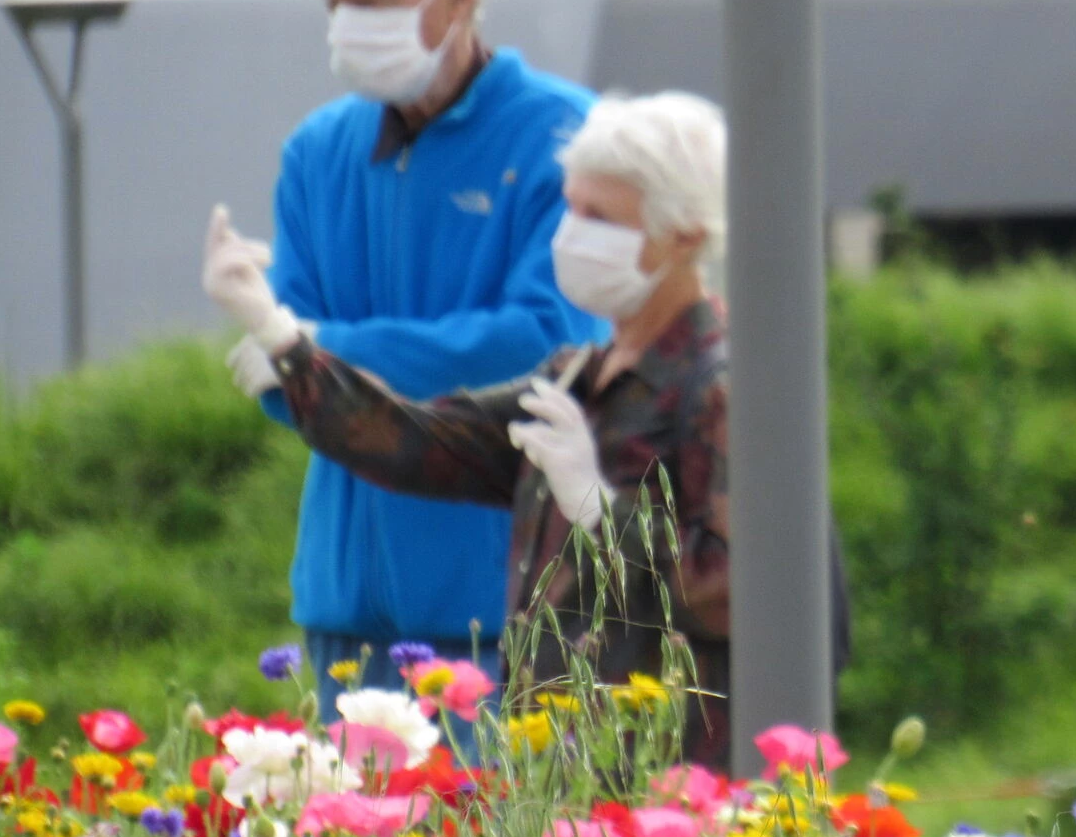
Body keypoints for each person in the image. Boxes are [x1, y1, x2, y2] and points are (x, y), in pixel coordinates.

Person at [224, 92, 840, 771]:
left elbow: (740, 590)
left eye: (599, 217)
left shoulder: (722, 386)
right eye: (569, 207)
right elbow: (420, 441)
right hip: (560, 772)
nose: (570, 236)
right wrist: (284, 338)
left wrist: (604, 513)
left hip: (674, 779)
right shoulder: (579, 375)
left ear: (686, 234)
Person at [199, 0, 597, 725]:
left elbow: (545, 341)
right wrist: (296, 358)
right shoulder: (316, 152)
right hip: (343, 613)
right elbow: (288, 394)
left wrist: (309, 350)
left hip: (499, 613)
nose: (344, 25)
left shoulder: (568, 137)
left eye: (369, 1)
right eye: (332, 2)